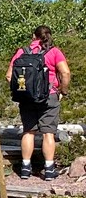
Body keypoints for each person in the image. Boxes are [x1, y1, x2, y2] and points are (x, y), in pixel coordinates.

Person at [7, 25, 72, 180]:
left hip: (26, 98)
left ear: (33, 36)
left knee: (28, 131)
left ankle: (25, 168)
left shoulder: (22, 52)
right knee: (48, 132)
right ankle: (49, 170)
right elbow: (65, 72)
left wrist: (21, 91)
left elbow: (9, 76)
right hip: (48, 96)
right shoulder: (54, 52)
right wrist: (62, 91)